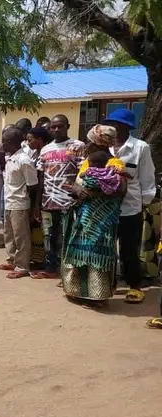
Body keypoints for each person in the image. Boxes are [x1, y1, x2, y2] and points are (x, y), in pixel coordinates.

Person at [61, 125, 127, 305]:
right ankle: (77, 291)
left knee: (97, 256)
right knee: (79, 253)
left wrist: (91, 193)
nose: (87, 143)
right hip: (84, 215)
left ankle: (97, 295)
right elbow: (78, 183)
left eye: (90, 140)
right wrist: (77, 189)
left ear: (98, 143)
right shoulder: (88, 161)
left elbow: (121, 190)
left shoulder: (114, 164)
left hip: (101, 220)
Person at [104, 109, 156, 304]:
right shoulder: (102, 146)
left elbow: (147, 177)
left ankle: (135, 286)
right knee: (107, 247)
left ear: (125, 127)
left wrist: (144, 203)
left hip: (130, 207)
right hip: (106, 207)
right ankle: (108, 282)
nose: (111, 128)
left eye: (115, 124)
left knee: (128, 249)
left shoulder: (140, 147)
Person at [32, 114, 86, 279]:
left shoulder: (78, 146)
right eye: (53, 127)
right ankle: (50, 269)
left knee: (67, 238)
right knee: (49, 237)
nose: (56, 129)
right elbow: (41, 177)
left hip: (69, 202)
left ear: (67, 126)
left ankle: (67, 273)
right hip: (48, 201)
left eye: (60, 126)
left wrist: (78, 196)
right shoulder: (46, 149)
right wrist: (37, 204)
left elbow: (83, 173)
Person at [0, 128, 38, 279]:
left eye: (5, 141)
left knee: (21, 236)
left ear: (12, 142)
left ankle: (22, 266)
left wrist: (33, 208)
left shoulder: (24, 160)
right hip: (9, 201)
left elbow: (32, 185)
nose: (2, 144)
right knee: (9, 234)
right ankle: (12, 259)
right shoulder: (10, 158)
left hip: (20, 204)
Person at [24, 126, 52, 270]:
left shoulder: (45, 154)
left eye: (30, 140)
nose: (28, 143)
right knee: (36, 229)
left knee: (43, 230)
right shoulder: (35, 154)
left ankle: (45, 261)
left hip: (42, 197)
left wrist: (36, 205)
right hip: (35, 196)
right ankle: (37, 258)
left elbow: (40, 180)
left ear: (40, 140)